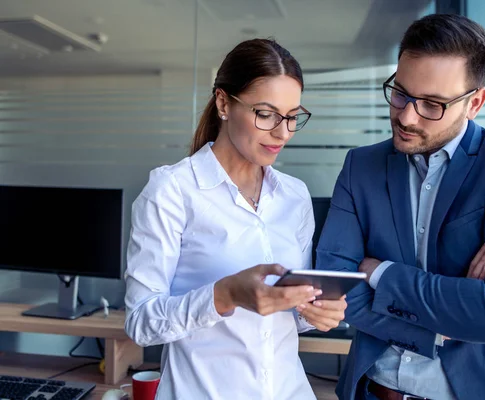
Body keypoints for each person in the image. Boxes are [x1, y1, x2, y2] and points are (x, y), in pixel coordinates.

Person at [316, 14, 485, 400]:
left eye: (432, 104)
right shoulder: (362, 167)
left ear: (474, 103)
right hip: (377, 391)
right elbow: (335, 289)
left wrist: (382, 273)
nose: (406, 115)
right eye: (401, 93)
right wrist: (447, 319)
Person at [124, 38, 347, 400]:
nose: (283, 132)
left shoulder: (294, 195)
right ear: (224, 102)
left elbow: (292, 314)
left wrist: (316, 312)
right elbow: (141, 324)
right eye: (266, 114)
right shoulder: (172, 190)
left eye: (292, 116)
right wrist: (224, 295)